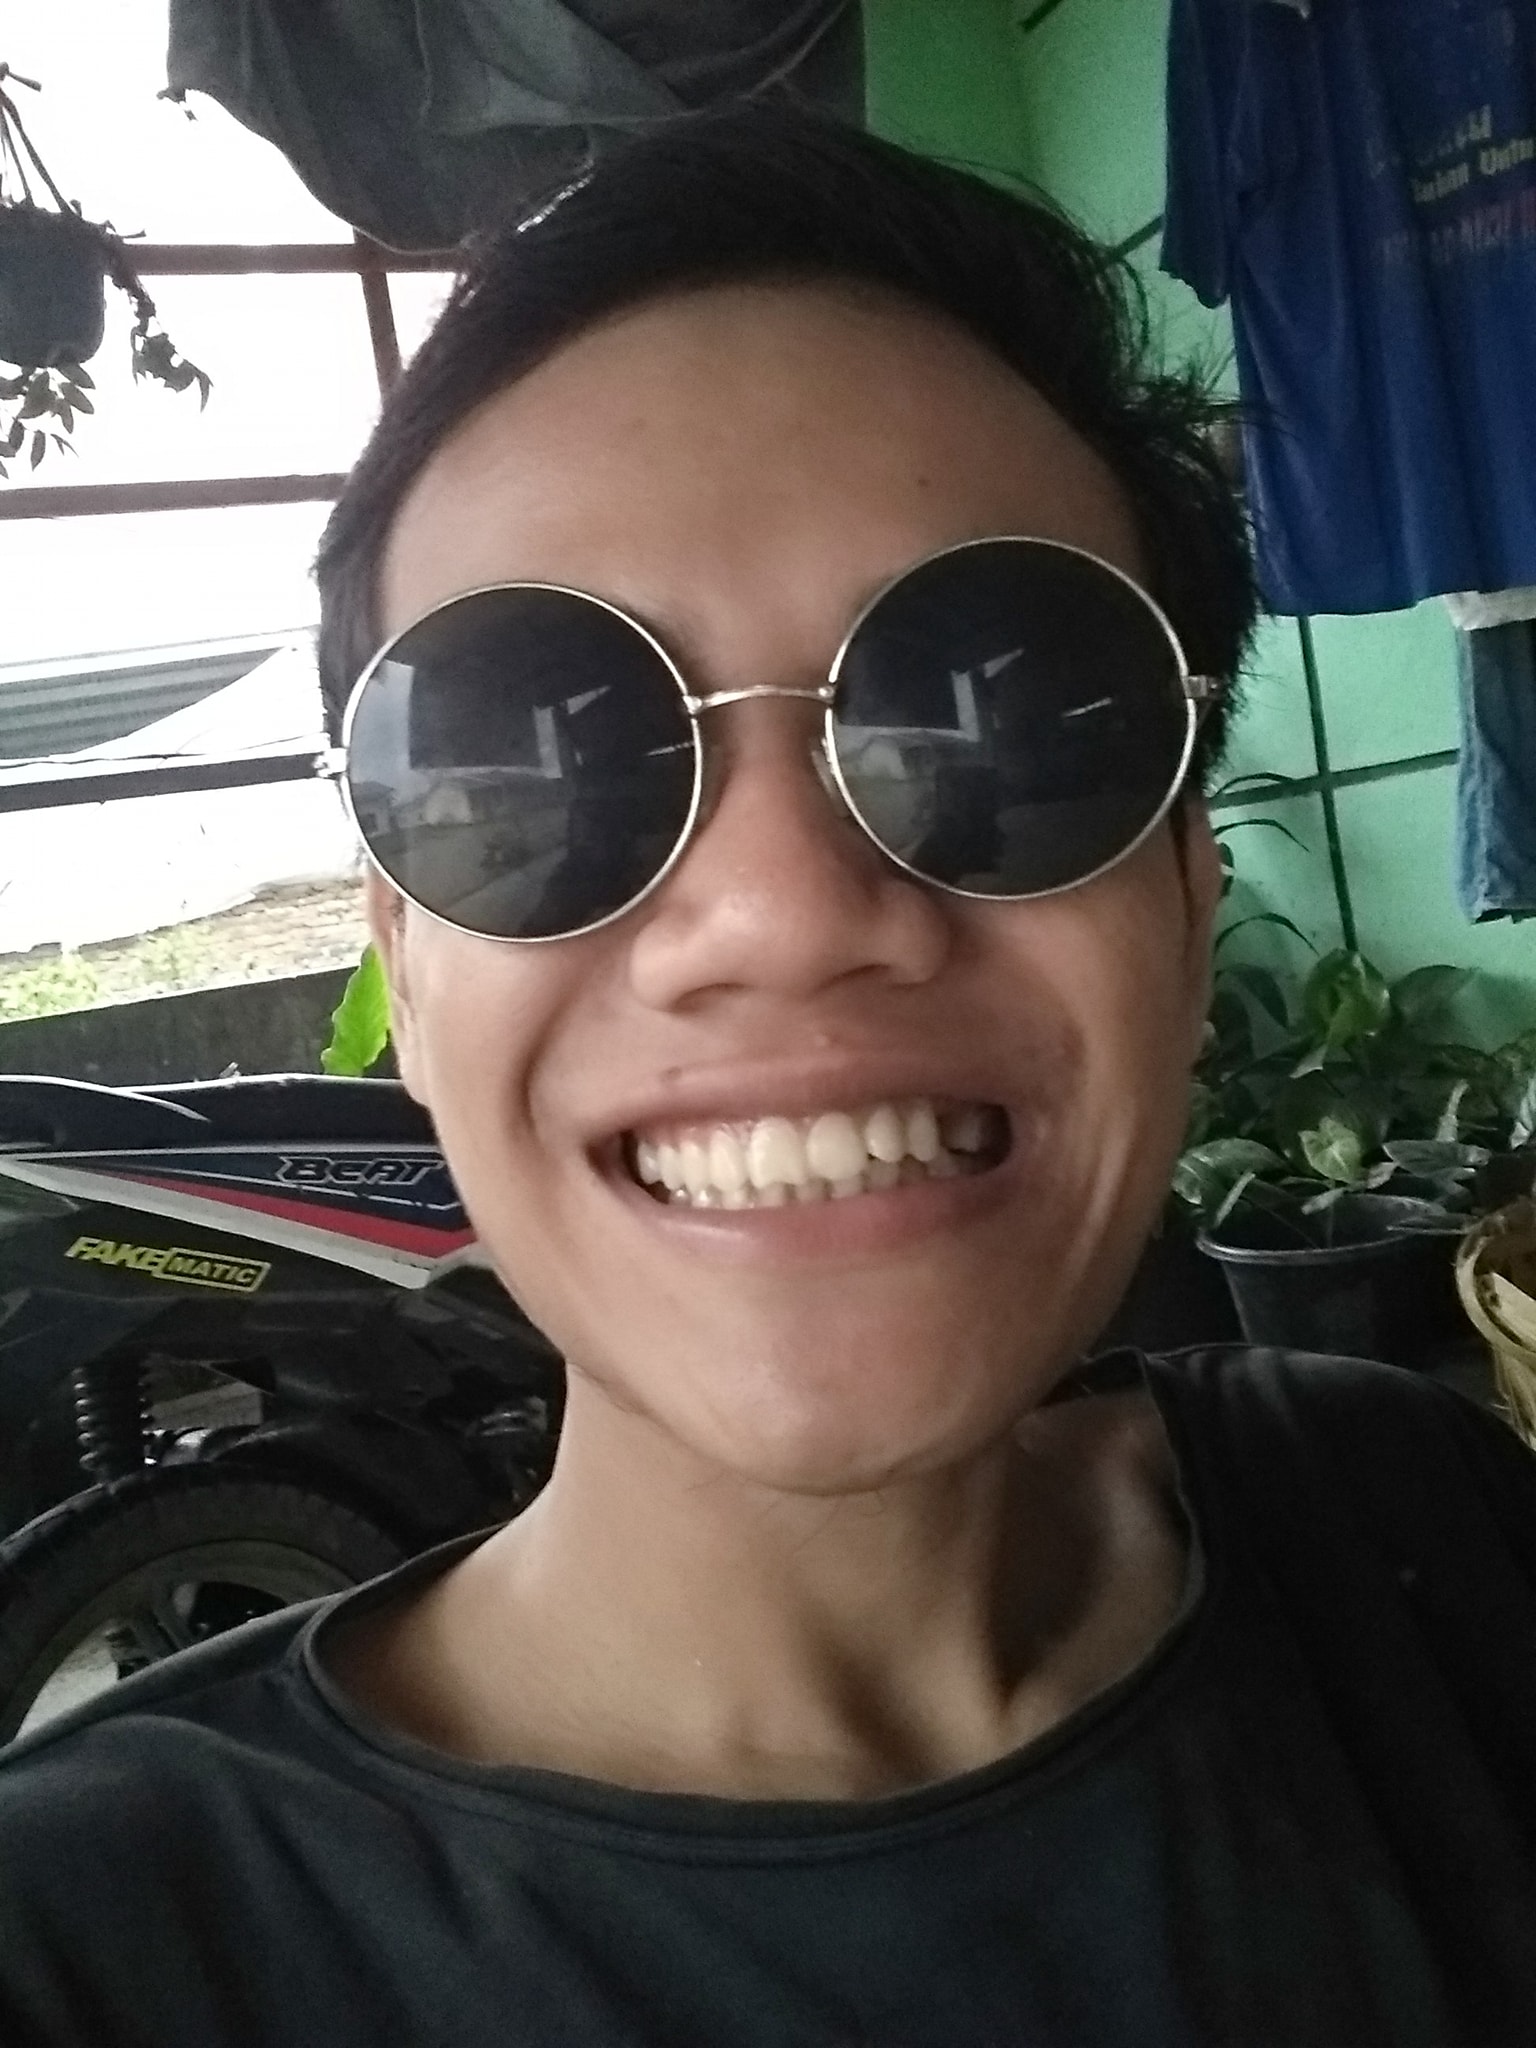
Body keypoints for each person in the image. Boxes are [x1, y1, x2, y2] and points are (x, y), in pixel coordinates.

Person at [2, 107, 1535, 2048]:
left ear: (1185, 888)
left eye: (1002, 723)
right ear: (401, 955)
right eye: (537, 756)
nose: (783, 914)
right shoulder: (90, 1945)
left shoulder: (1410, 1527)